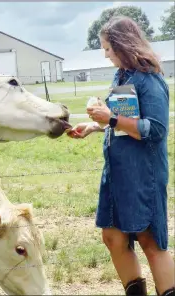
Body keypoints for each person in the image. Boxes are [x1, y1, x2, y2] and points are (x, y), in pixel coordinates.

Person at [67, 16, 174, 296]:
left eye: (107, 49)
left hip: (143, 176)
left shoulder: (150, 80)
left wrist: (111, 118)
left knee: (151, 243)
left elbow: (156, 130)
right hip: (118, 175)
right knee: (113, 237)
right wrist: (95, 125)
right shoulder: (122, 76)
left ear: (123, 46)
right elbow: (126, 120)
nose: (105, 55)